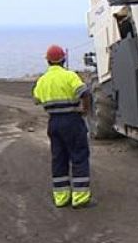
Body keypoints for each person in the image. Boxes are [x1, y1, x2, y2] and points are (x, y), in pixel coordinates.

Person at [32, 45, 93, 208]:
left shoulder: (43, 80)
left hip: (54, 122)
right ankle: (80, 197)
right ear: (63, 59)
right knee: (78, 156)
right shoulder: (69, 76)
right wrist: (85, 110)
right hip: (72, 120)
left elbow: (36, 99)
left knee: (58, 159)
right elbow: (85, 93)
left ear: (48, 61)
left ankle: (61, 197)